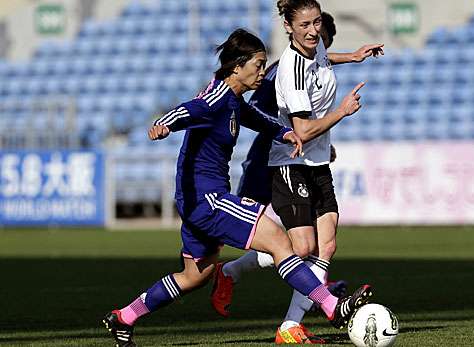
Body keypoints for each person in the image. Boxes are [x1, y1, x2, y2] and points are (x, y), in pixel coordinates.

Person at [101, 28, 373, 347]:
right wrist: (166, 125)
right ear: (237, 66)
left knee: (195, 276)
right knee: (279, 242)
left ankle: (124, 317)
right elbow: (190, 109)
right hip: (209, 199)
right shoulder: (217, 97)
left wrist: (284, 134)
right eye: (257, 65)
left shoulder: (233, 99)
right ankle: (332, 307)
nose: (262, 71)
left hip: (194, 202)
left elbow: (257, 118)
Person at [211, 2, 383, 344]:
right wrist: (342, 112)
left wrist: (354, 56)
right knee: (298, 247)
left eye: (317, 24)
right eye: (306, 25)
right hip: (287, 159)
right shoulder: (286, 71)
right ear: (290, 28)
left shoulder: (315, 50)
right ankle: (233, 273)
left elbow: (321, 61)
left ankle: (293, 323)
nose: (314, 32)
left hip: (315, 162)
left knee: (326, 244)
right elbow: (300, 129)